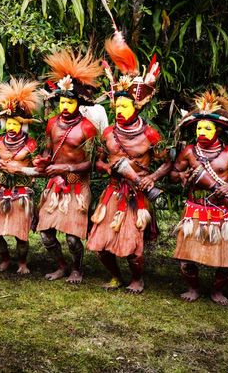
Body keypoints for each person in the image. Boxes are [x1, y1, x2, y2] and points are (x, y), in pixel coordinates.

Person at [87, 32, 171, 293]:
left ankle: (137, 278)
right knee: (99, 243)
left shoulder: (150, 134)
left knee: (134, 245)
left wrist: (152, 178)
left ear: (136, 106)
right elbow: (97, 162)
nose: (118, 111)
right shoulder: (108, 133)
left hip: (137, 193)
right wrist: (106, 167)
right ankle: (115, 276)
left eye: (124, 107)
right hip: (113, 191)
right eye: (116, 107)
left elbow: (168, 162)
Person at [170, 89, 228, 305]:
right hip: (196, 208)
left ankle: (217, 291)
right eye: (199, 127)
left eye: (207, 127)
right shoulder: (189, 151)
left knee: (227, 262)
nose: (201, 131)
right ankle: (193, 288)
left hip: (222, 210)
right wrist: (182, 175)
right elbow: (174, 174)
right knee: (186, 261)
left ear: (218, 130)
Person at [32, 50, 102, 283]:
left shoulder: (88, 128)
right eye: (62, 101)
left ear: (79, 103)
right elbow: (48, 150)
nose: (64, 105)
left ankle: (77, 269)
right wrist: (42, 160)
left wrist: (66, 169)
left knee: (72, 238)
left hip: (76, 186)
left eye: (69, 101)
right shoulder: (52, 123)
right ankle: (61, 265)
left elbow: (91, 163)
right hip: (55, 186)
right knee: (45, 234)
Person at [0, 79, 41, 274]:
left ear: (22, 126)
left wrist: (21, 170)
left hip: (22, 193)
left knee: (21, 234)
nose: (12, 127)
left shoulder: (31, 145)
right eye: (9, 123)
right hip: (2, 191)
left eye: (16, 124)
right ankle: (5, 259)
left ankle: (22, 262)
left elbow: (39, 170)